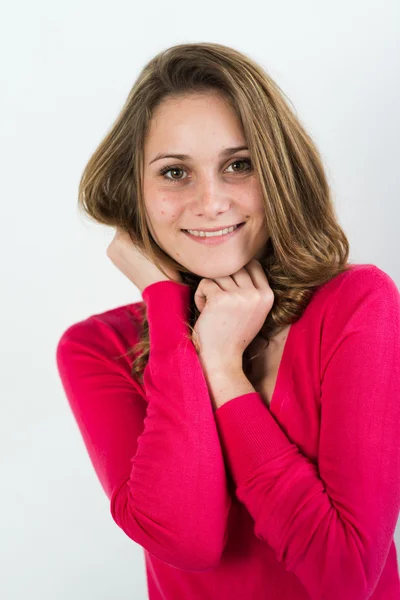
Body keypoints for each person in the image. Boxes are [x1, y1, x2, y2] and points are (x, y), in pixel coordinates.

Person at [55, 42, 400, 599]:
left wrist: (223, 369)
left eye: (239, 165)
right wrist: (167, 307)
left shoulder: (357, 306)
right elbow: (188, 541)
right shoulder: (96, 349)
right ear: (134, 192)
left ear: (280, 174)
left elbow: (347, 577)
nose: (211, 202)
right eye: (174, 173)